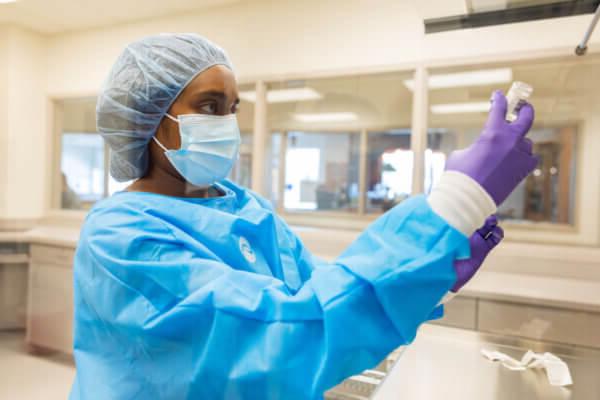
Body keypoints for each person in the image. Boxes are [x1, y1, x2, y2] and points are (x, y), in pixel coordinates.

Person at [70, 34, 537, 400]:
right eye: (209, 107)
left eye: (232, 109)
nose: (227, 124)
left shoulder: (243, 207)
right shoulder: (120, 237)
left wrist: (429, 269)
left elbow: (320, 289)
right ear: (145, 120)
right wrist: (453, 203)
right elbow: (284, 334)